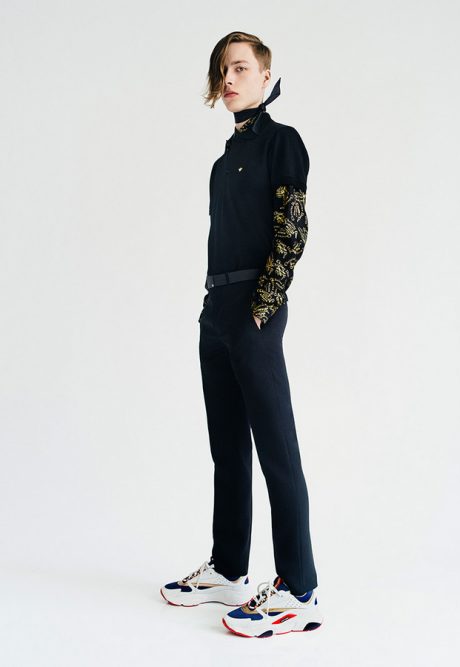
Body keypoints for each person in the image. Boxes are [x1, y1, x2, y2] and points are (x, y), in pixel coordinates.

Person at [160, 31, 323, 638]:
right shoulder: (222, 163)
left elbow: (292, 229)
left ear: (264, 75)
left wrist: (263, 306)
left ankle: (299, 589)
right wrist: (215, 310)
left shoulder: (283, 142)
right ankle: (228, 568)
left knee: (277, 448)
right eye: (222, 71)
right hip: (217, 309)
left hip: (255, 306)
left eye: (240, 68)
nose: (228, 79)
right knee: (226, 447)